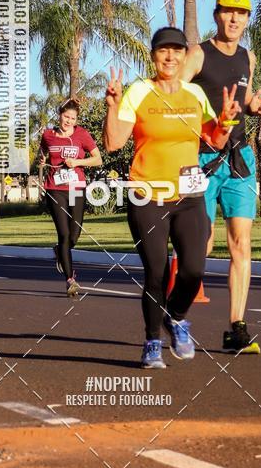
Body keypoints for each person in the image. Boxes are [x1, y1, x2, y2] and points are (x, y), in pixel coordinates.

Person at [103, 27, 240, 369]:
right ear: (153, 56)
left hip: (189, 195)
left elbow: (215, 140)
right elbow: (113, 143)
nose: (170, 57)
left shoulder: (194, 94)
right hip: (147, 196)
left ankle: (175, 317)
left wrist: (224, 122)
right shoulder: (138, 92)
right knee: (157, 272)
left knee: (193, 269)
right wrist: (113, 105)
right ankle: (151, 342)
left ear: (183, 57)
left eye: (176, 51)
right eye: (163, 51)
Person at [181, 0, 261, 355]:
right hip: (200, 158)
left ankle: (237, 326)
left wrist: (256, 105)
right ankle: (176, 318)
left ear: (247, 19)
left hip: (239, 158)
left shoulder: (247, 58)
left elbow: (244, 99)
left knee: (241, 243)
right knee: (198, 244)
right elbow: (173, 95)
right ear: (216, 14)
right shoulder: (197, 55)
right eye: (227, 11)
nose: (234, 18)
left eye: (242, 13)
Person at [39, 99, 102, 297]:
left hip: (76, 188)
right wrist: (41, 161)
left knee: (74, 235)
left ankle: (60, 251)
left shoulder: (82, 134)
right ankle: (70, 280)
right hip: (55, 189)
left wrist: (77, 162)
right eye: (66, 116)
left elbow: (97, 159)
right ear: (59, 115)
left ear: (76, 120)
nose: (68, 121)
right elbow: (42, 156)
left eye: (72, 118)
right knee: (65, 234)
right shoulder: (48, 135)